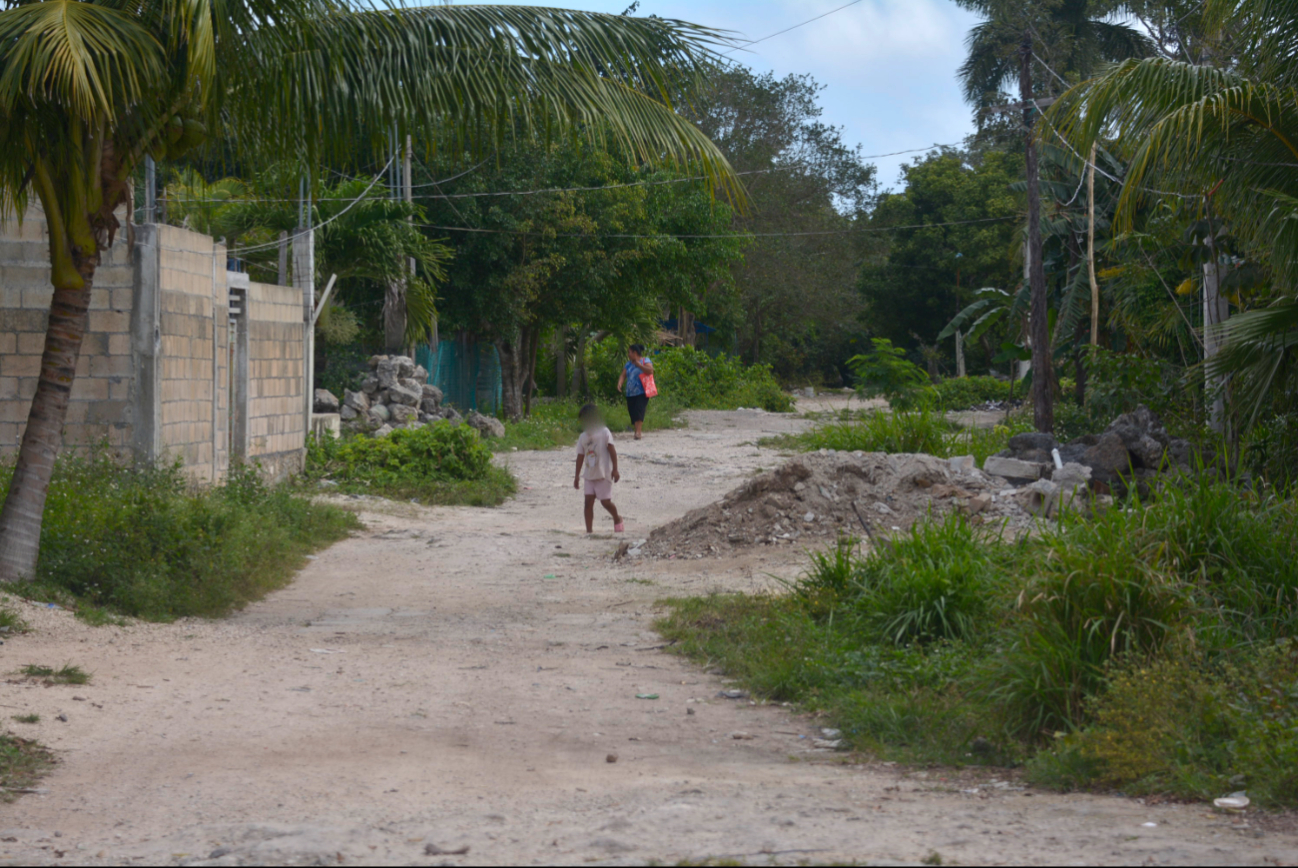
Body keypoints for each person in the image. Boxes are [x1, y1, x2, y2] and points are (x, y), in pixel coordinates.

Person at [574, 403, 624, 534]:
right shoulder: (583, 437)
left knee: (605, 502)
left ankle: (617, 518)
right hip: (589, 475)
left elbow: (612, 450)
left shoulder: (604, 432)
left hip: (603, 474)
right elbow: (580, 456)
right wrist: (576, 476)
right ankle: (589, 532)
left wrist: (615, 469)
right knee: (588, 503)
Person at [617, 343, 654, 440]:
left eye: (629, 352)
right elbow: (623, 375)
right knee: (632, 412)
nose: (628, 354)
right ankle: (636, 430)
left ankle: (638, 432)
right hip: (630, 392)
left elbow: (650, 370)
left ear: (635, 353)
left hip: (642, 391)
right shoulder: (628, 364)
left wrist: (640, 365)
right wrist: (620, 383)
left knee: (639, 410)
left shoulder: (645, 361)